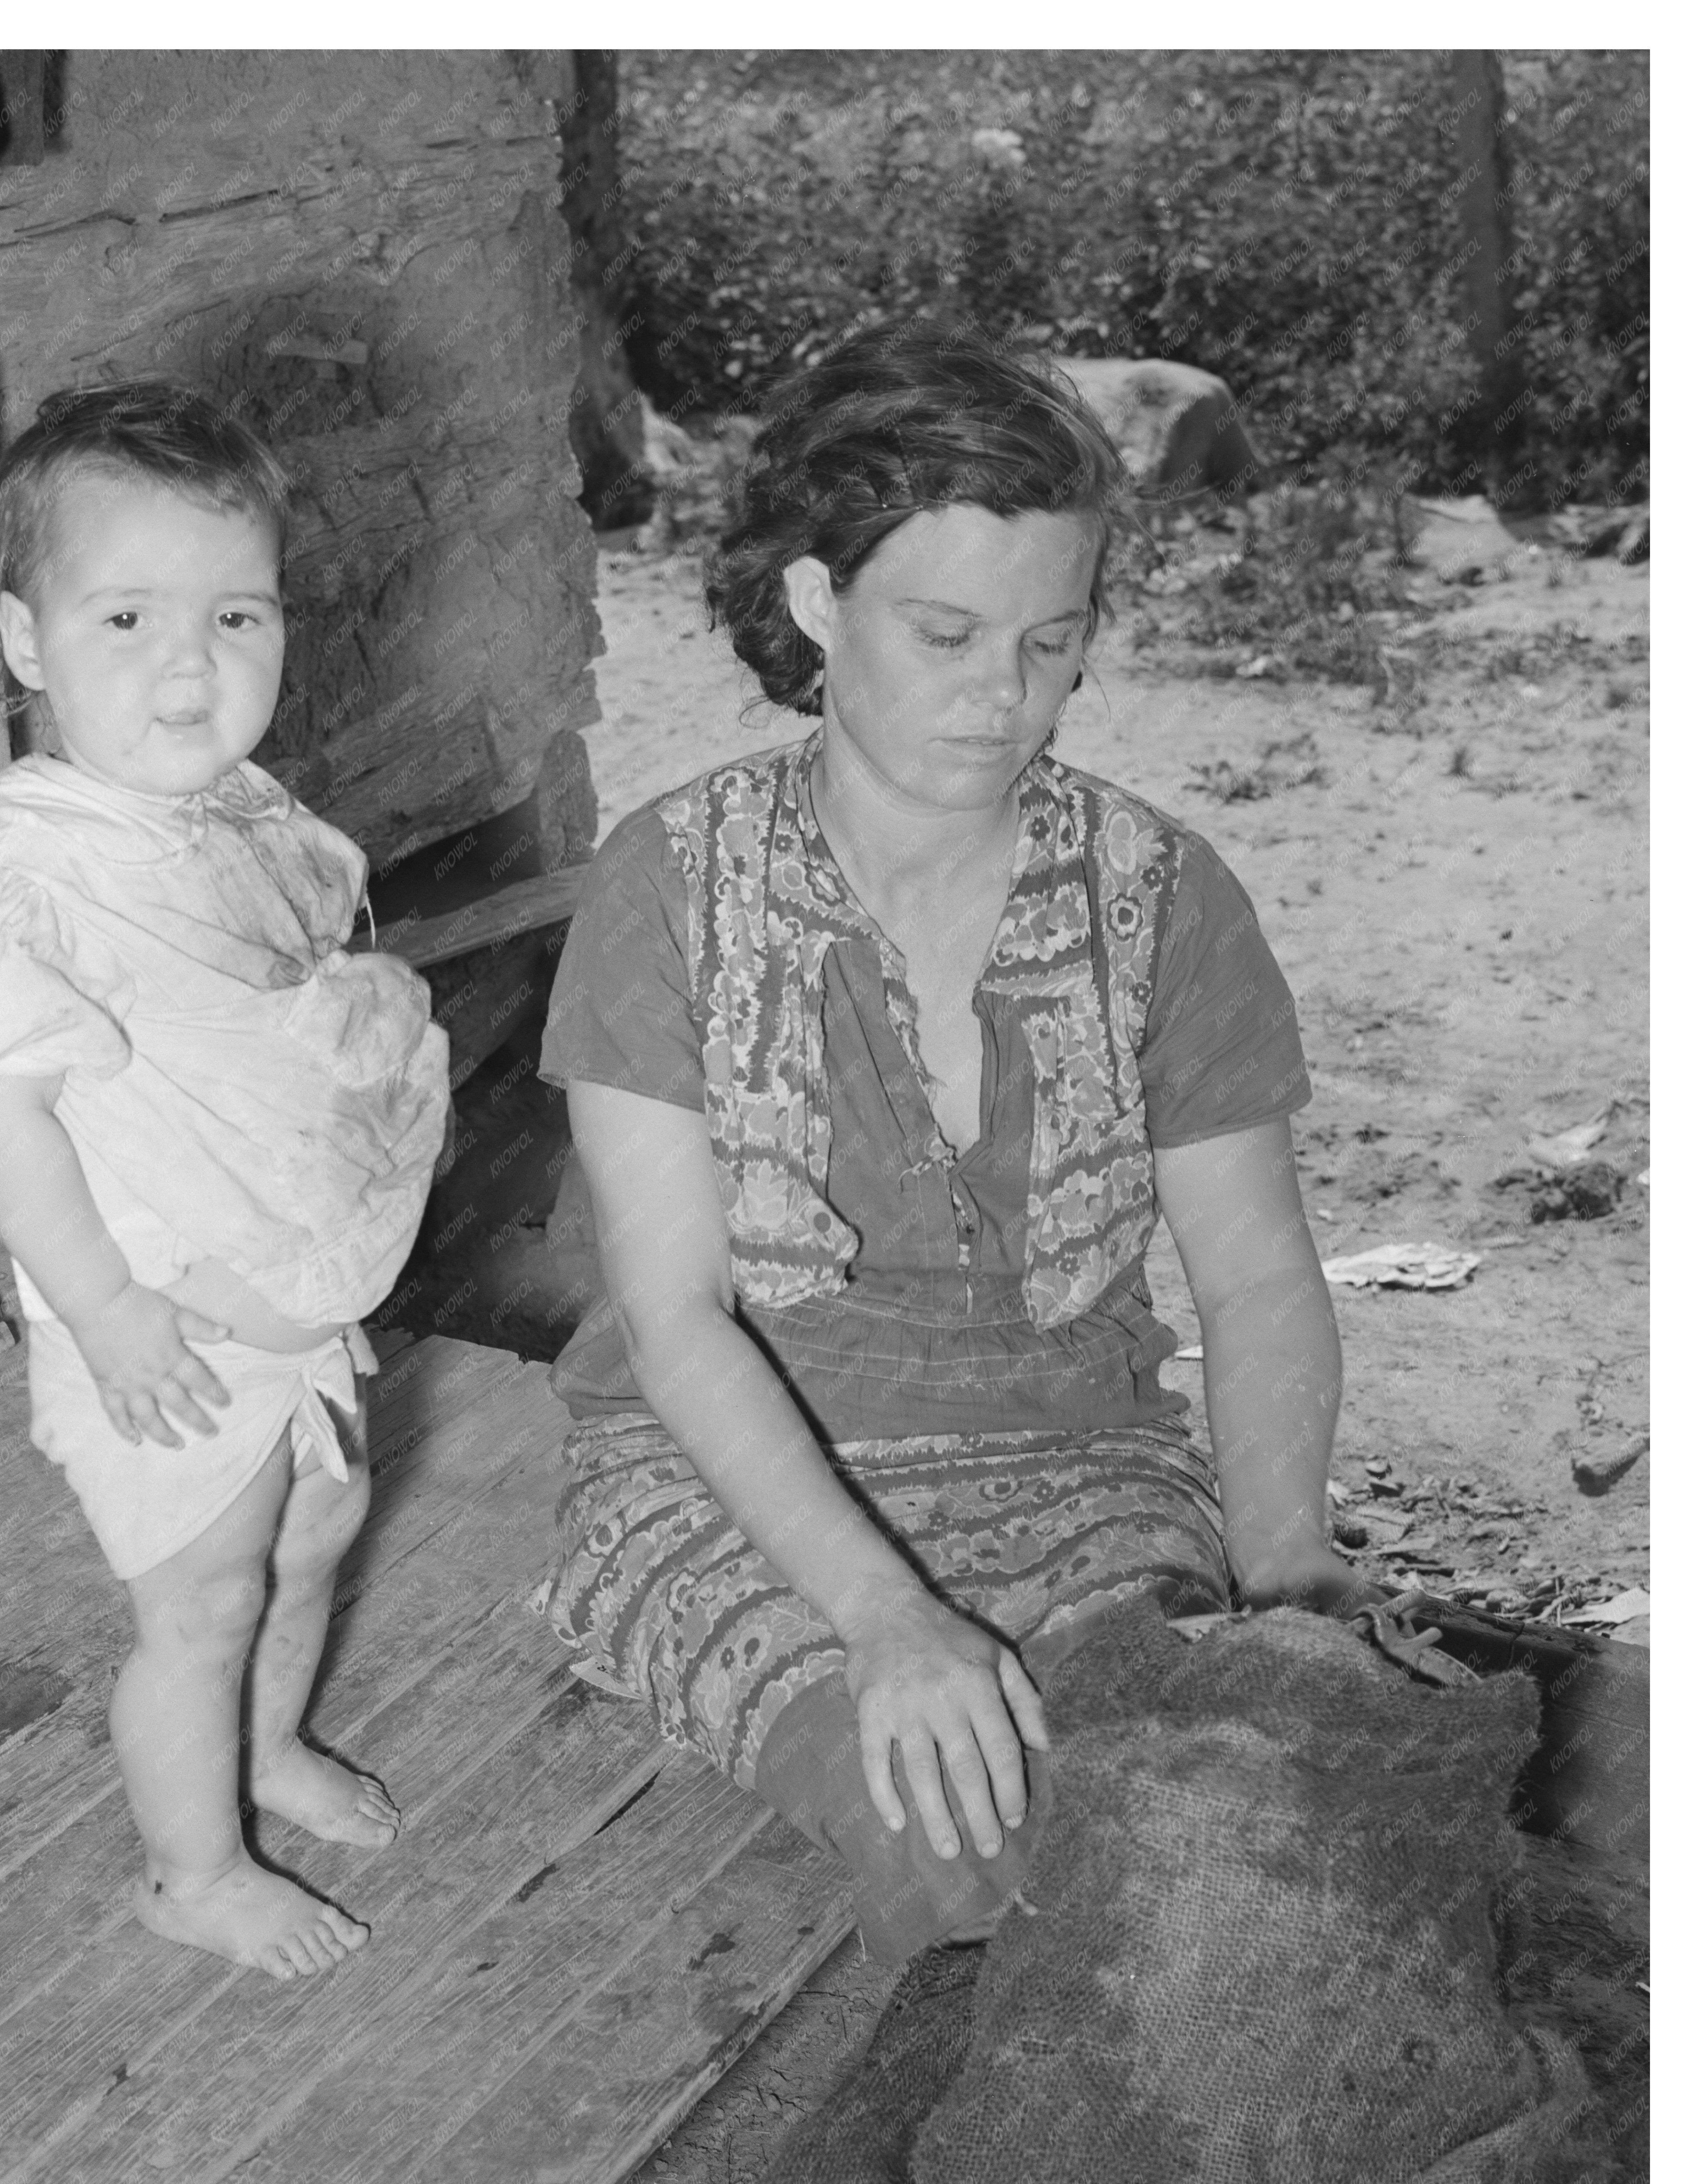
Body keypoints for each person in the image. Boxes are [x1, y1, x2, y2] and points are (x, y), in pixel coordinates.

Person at [537, 323, 1371, 1965]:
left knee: (1237, 1799)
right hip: (729, 1476)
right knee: (968, 1847)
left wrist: (1282, 1569)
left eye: (1049, 645)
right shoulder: (670, 886)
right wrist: (884, 1619)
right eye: (943, 634)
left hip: (1075, 1455)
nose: (1002, 699)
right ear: (810, 607)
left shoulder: (1157, 892)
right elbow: (676, 1315)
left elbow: (1259, 1279)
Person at [0, 384, 449, 1982]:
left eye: (235, 612)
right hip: (157, 1325)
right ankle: (190, 1873)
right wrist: (110, 1316)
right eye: (126, 615)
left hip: (278, 1288)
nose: (190, 662)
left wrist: (368, 1034)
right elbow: (8, 1122)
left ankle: (262, 1759)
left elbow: (283, 1011)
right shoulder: (37, 888)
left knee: (320, 1533)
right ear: (26, 640)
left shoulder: (238, 815)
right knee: (197, 1601)